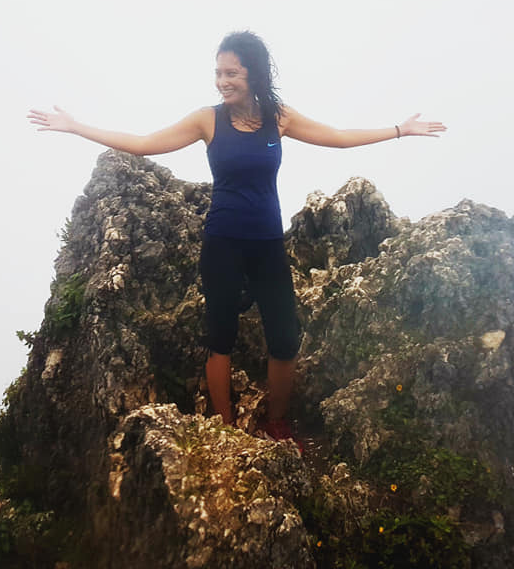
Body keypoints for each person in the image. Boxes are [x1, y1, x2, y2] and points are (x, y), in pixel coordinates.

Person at [27, 31, 446, 447]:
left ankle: (278, 424)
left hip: (266, 244)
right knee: (220, 338)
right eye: (218, 73)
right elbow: (143, 144)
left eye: (232, 72)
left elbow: (336, 137)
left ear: (254, 74)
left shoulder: (278, 117)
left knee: (284, 340)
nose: (222, 81)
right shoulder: (207, 120)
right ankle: (227, 430)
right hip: (223, 242)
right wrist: (75, 127)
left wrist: (398, 130)